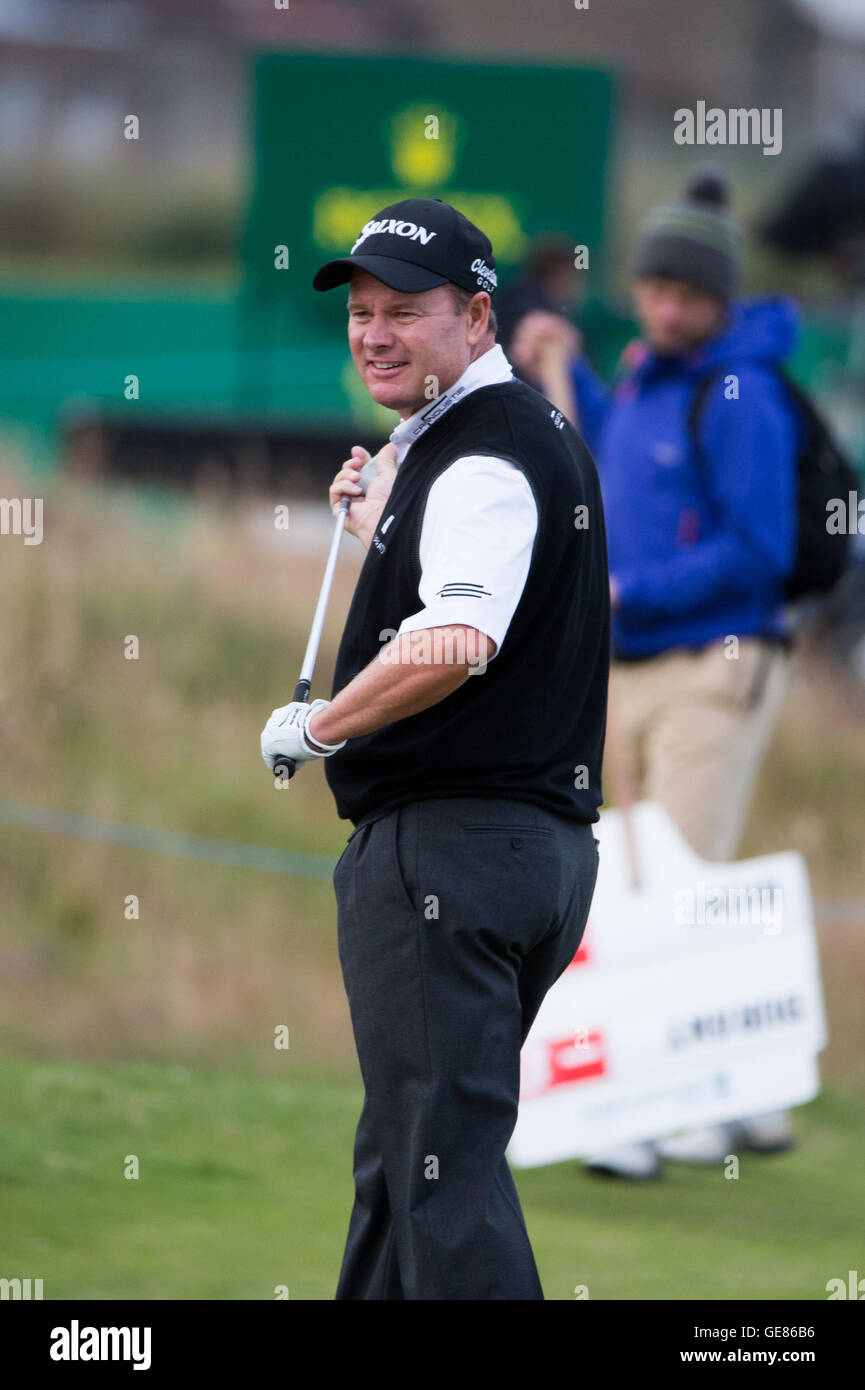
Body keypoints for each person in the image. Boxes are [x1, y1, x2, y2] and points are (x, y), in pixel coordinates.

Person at [259, 198, 610, 1296]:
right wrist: (387, 526)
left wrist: (316, 725)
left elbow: (457, 640)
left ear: (476, 315)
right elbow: (486, 592)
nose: (373, 333)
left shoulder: (482, 458)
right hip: (523, 854)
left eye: (405, 311)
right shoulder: (505, 442)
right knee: (403, 1163)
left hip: (448, 854)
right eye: (360, 312)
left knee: (438, 1173)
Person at [511, 168, 801, 1178]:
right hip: (627, 663)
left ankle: (676, 1106)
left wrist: (633, 589)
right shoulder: (643, 374)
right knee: (625, 880)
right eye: (654, 289)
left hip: (715, 662)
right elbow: (610, 457)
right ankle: (744, 1093)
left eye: (687, 295)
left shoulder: (742, 393)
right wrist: (567, 365)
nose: (667, 309)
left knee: (680, 883)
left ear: (721, 299)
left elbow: (757, 548)